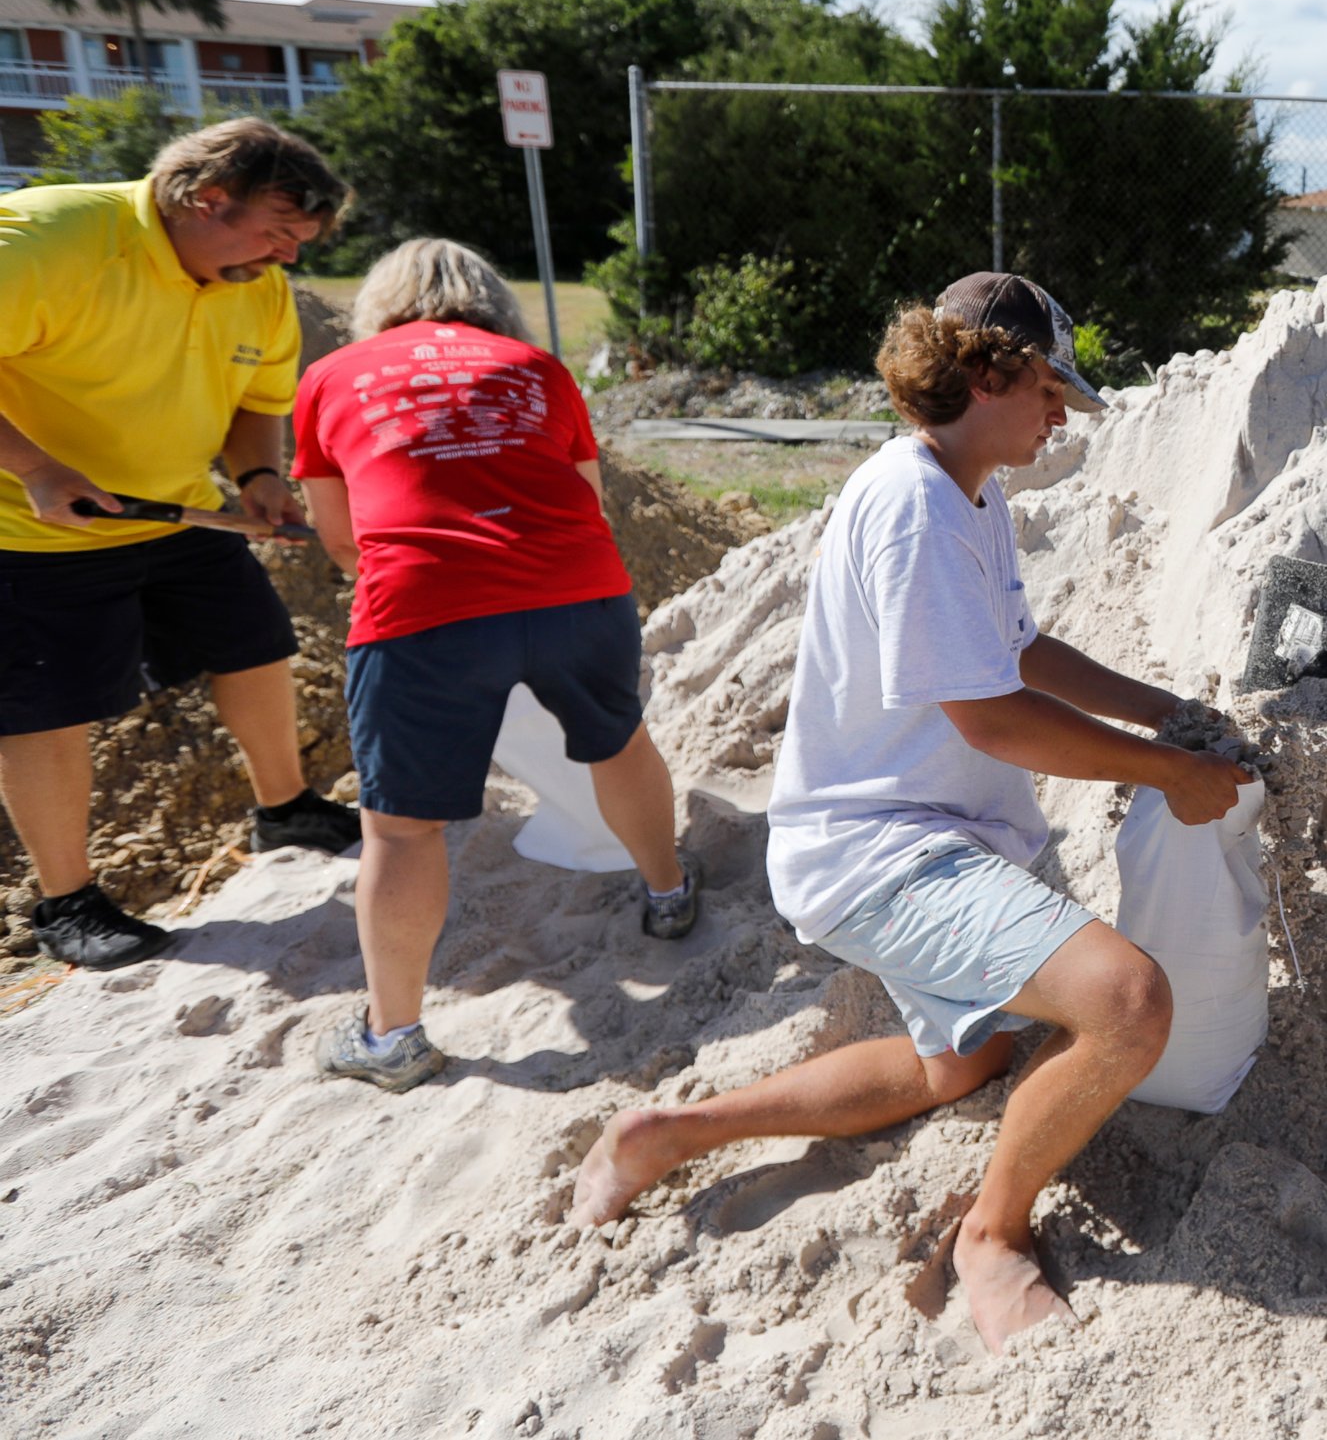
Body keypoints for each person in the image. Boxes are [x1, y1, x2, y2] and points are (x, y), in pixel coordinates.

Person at [570, 271, 1247, 1354]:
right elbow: (990, 717)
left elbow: (1018, 648)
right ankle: (992, 1236)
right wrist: (1164, 771)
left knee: (962, 1064)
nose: (1062, 411)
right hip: (876, 850)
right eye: (1049, 389)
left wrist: (1166, 713)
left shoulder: (966, 488)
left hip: (927, 832)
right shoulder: (916, 502)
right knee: (1127, 1003)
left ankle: (664, 1134)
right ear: (986, 374)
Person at [291, 239, 699, 1092]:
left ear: (382, 301)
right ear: (489, 300)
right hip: (577, 584)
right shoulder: (535, 366)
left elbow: (340, 541)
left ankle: (393, 1036)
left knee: (401, 826)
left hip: (423, 599)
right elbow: (584, 496)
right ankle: (668, 895)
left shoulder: (333, 375)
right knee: (618, 741)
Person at [1, 119, 365, 971]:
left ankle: (285, 808)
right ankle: (67, 902)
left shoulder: (254, 281)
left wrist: (259, 479)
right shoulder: (49, 239)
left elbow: (257, 393)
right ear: (206, 199)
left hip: (174, 508)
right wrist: (36, 469)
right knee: (47, 707)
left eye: (300, 244)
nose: (287, 260)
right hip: (35, 527)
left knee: (254, 644)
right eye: (278, 233)